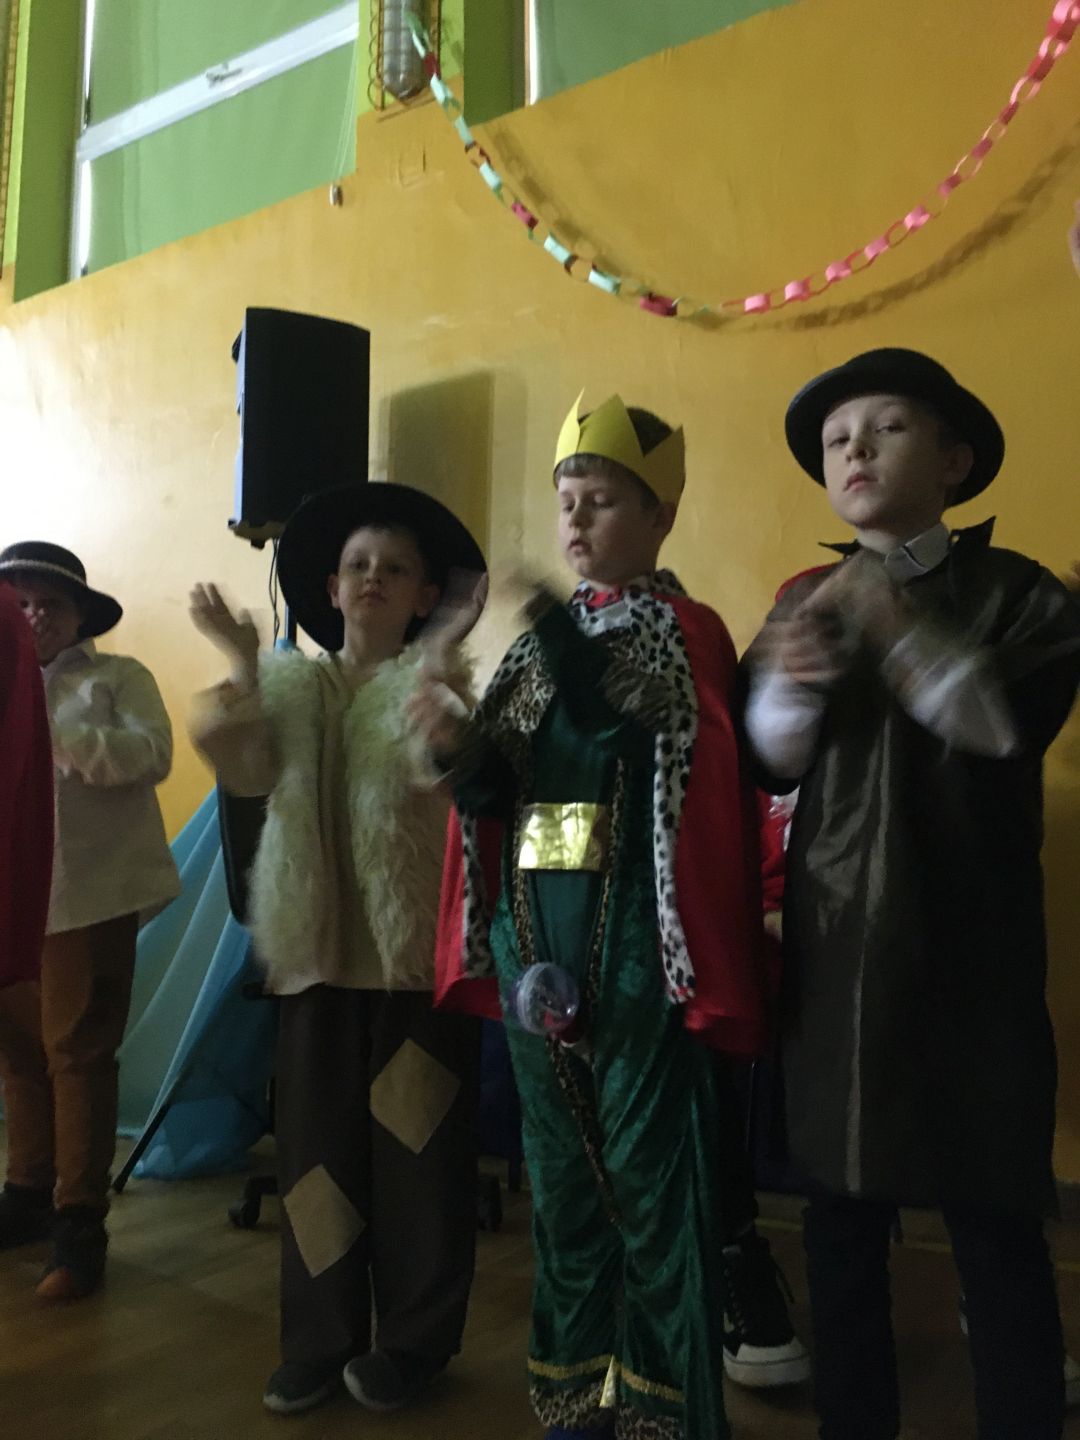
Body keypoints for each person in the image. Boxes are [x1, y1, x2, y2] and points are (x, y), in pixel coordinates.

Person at [414, 394, 771, 1440]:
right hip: (538, 939)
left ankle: (661, 1406)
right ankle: (574, 1400)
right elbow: (498, 795)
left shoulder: (684, 632)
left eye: (602, 500)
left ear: (660, 517)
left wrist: (545, 621)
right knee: (564, 1187)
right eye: (566, 498)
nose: (574, 519)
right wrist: (454, 747)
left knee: (653, 1185)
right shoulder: (535, 652)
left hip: (637, 946)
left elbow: (623, 720)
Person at [743, 348, 1080, 1440]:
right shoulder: (805, 602)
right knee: (839, 1225)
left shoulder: (1018, 591)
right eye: (838, 440)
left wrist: (889, 619)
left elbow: (998, 724)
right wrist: (790, 684)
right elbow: (771, 762)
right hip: (839, 947)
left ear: (955, 460)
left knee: (995, 1219)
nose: (856, 451)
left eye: (886, 428)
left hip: (973, 948)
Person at [190, 483, 486, 1418]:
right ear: (330, 586)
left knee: (419, 1161)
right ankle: (318, 1341)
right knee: (315, 1163)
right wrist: (241, 660)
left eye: (395, 569)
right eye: (358, 565)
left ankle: (413, 1343)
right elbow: (239, 761)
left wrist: (442, 677)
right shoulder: (293, 688)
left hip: (412, 968)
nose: (373, 578)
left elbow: (453, 767)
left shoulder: (435, 687)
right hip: (316, 963)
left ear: (424, 595)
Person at [0, 541, 180, 1301]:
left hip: (88, 892)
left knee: (76, 1050)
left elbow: (153, 755)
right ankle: (26, 1193)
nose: (34, 615)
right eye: (20, 603)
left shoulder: (119, 677)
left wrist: (49, 733)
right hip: (11, 894)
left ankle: (79, 1224)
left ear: (80, 616)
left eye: (50, 603)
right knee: (18, 1051)